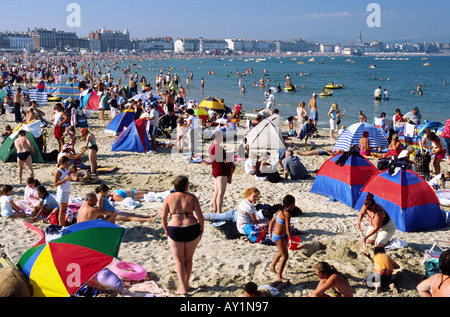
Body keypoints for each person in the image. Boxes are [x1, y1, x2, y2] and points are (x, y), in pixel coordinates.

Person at [161, 175, 204, 295]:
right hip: (192, 228)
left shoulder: (169, 198)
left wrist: (165, 229)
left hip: (175, 228)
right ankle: (187, 284)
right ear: (186, 185)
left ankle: (183, 288)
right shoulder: (192, 197)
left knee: (179, 260)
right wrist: (202, 229)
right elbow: (200, 216)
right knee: (188, 259)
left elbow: (163, 216)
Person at [269, 195, 295, 282]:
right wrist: (291, 239)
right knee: (285, 255)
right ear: (291, 205)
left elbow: (272, 222)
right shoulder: (287, 214)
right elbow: (288, 229)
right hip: (278, 237)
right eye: (294, 204)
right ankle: (279, 276)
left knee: (281, 252)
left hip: (275, 235)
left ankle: (272, 266)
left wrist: (269, 233)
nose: (294, 206)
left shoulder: (280, 210)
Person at [209, 130, 234, 213]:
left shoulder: (211, 146)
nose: (223, 138)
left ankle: (215, 209)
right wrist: (230, 159)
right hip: (221, 171)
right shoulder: (218, 148)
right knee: (220, 193)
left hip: (215, 170)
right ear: (218, 137)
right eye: (222, 136)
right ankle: (219, 211)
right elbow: (224, 161)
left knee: (216, 192)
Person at [53, 156, 72, 226]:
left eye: (68, 164)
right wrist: (64, 180)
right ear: (61, 163)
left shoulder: (65, 170)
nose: (67, 165)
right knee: (62, 210)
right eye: (66, 164)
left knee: (64, 210)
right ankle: (61, 225)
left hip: (66, 191)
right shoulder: (58, 171)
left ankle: (62, 224)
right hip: (62, 192)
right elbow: (55, 184)